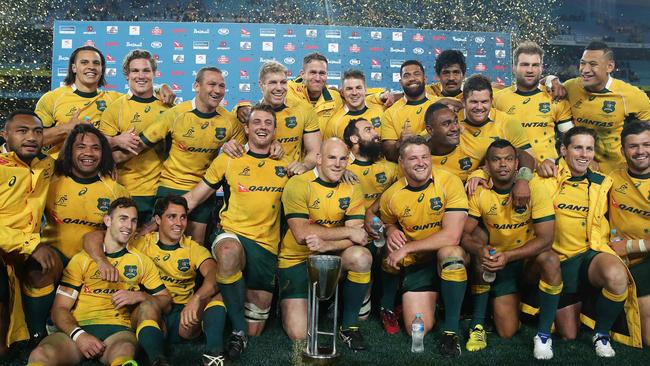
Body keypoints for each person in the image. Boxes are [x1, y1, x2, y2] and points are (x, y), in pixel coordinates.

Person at [183, 104, 289, 360]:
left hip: (265, 247)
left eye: (268, 123)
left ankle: (223, 309)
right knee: (228, 255)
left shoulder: (286, 167)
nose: (262, 127)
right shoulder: (228, 158)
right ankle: (235, 332)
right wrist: (159, 216)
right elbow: (196, 197)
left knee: (256, 329)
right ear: (246, 127)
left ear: (275, 130)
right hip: (233, 234)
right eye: (257, 122)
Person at [27, 198, 172, 366]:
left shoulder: (141, 261)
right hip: (79, 329)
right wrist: (79, 336)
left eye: (134, 221)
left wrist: (139, 295)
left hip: (118, 331)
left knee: (124, 351)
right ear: (108, 221)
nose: (129, 226)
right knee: (40, 354)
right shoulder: (82, 259)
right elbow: (59, 309)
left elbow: (166, 302)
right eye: (123, 218)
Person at [83, 196, 224, 365]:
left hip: (183, 316)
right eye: (171, 217)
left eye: (183, 217)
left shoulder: (193, 248)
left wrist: (197, 298)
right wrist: (102, 261)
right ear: (158, 219)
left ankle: (214, 353)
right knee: (147, 306)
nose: (178, 223)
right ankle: (158, 360)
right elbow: (92, 237)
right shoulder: (141, 242)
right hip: (150, 312)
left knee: (221, 292)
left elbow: (214, 274)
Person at [540, 126, 638, 356]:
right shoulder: (545, 178)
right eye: (578, 148)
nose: (584, 154)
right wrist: (477, 175)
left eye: (589, 149)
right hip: (559, 262)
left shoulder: (603, 182)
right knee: (569, 334)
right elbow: (512, 173)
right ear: (563, 149)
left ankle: (601, 335)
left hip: (590, 257)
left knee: (616, 275)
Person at [461, 139, 560, 359]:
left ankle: (543, 335)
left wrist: (510, 256)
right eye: (496, 160)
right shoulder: (480, 192)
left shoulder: (535, 188)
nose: (503, 165)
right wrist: (481, 251)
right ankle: (478, 325)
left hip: (526, 262)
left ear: (517, 164)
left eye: (508, 159)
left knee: (551, 259)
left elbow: (546, 239)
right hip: (498, 263)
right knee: (506, 332)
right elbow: (464, 235)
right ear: (487, 165)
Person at [279, 138, 371, 351]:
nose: (338, 164)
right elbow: (302, 233)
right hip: (297, 260)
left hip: (331, 258)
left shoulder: (352, 186)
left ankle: (349, 326)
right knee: (299, 334)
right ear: (318, 159)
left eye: (342, 159)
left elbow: (360, 237)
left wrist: (327, 246)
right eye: (331, 157)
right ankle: (305, 302)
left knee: (361, 256)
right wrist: (347, 232)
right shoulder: (298, 184)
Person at [380, 135, 468, 357]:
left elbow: (452, 236)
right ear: (401, 162)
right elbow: (387, 221)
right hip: (418, 265)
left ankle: (451, 333)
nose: (421, 162)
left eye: (425, 157)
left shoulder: (450, 181)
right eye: (413, 158)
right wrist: (390, 231)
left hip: (443, 256)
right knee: (414, 329)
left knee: (451, 254)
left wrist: (407, 248)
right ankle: (439, 302)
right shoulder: (391, 195)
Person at [135, 66, 246, 243]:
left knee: (195, 246)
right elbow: (139, 145)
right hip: (171, 185)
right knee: (163, 244)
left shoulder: (230, 121)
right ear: (196, 86)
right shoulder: (176, 114)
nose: (217, 90)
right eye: (211, 84)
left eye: (222, 86)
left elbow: (248, 150)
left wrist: (234, 148)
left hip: (203, 189)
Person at [35, 46, 174, 159]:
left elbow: (141, 91)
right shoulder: (52, 98)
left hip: (98, 174)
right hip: (59, 172)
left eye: (96, 63)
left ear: (102, 69)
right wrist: (65, 129)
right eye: (84, 62)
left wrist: (161, 87)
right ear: (73, 68)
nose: (91, 67)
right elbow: (32, 140)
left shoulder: (114, 99)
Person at [0, 110, 58, 351]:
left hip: (25, 247)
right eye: (22, 131)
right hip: (8, 245)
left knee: (50, 263)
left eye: (37, 131)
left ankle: (36, 334)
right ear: (5, 135)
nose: (31, 137)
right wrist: (31, 244)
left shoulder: (46, 165)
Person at [342, 118, 400, 332]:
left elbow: (404, 190)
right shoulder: (343, 167)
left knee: (395, 244)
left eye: (374, 128)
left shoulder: (391, 168)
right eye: (368, 130)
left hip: (385, 227)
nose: (376, 133)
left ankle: (387, 307)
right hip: (354, 231)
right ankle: (356, 298)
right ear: (354, 138)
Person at [99, 49, 170, 224]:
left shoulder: (169, 107)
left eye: (146, 70)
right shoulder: (115, 109)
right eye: (135, 71)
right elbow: (99, 150)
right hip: (127, 190)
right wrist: (117, 141)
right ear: (126, 75)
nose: (141, 76)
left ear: (154, 73)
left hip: (162, 190)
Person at [560, 41, 650, 174]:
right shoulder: (570, 87)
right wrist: (551, 80)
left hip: (615, 171)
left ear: (609, 67)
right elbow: (544, 88)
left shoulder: (631, 95)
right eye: (582, 63)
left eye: (593, 64)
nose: (585, 70)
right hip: (578, 166)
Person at [222, 61, 321, 176]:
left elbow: (315, 151)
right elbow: (237, 146)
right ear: (261, 84)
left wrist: (304, 166)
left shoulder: (304, 110)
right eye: (273, 83)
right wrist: (229, 146)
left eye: (283, 82)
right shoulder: (247, 114)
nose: (279, 88)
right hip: (256, 177)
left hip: (290, 177)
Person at [493, 41, 574, 170]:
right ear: (514, 67)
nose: (530, 70)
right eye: (525, 65)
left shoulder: (555, 97)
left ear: (541, 68)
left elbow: (572, 140)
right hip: (509, 173)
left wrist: (556, 161)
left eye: (535, 65)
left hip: (548, 174)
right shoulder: (497, 99)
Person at [461, 74, 537, 208]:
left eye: (484, 102)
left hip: (493, 193)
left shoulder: (508, 122)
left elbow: (529, 159)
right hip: (459, 190)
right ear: (463, 102)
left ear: (491, 100)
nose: (479, 107)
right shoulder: (450, 121)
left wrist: (521, 180)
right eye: (473, 102)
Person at [607, 121, 650, 346]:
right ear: (622, 150)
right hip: (623, 262)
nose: (640, 151)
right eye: (633, 146)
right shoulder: (611, 178)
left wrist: (631, 246)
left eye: (646, 144)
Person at [381, 60, 442, 162]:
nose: (412, 79)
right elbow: (389, 154)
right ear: (401, 82)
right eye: (406, 75)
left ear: (425, 79)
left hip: (441, 167)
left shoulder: (440, 105)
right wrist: (399, 143)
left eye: (416, 74)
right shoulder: (390, 113)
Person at [286, 53, 344, 132]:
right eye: (313, 72)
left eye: (322, 73)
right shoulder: (286, 93)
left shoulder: (336, 98)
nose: (317, 78)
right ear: (302, 74)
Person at [424, 103, 478, 182]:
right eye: (446, 124)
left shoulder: (473, 145)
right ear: (430, 130)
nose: (455, 128)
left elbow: (500, 151)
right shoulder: (418, 157)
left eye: (455, 122)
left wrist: (483, 173)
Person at [324, 70, 385, 140]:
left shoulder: (380, 109)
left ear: (365, 90)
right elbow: (328, 149)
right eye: (349, 89)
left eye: (358, 88)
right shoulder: (334, 123)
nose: (354, 93)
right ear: (342, 93)